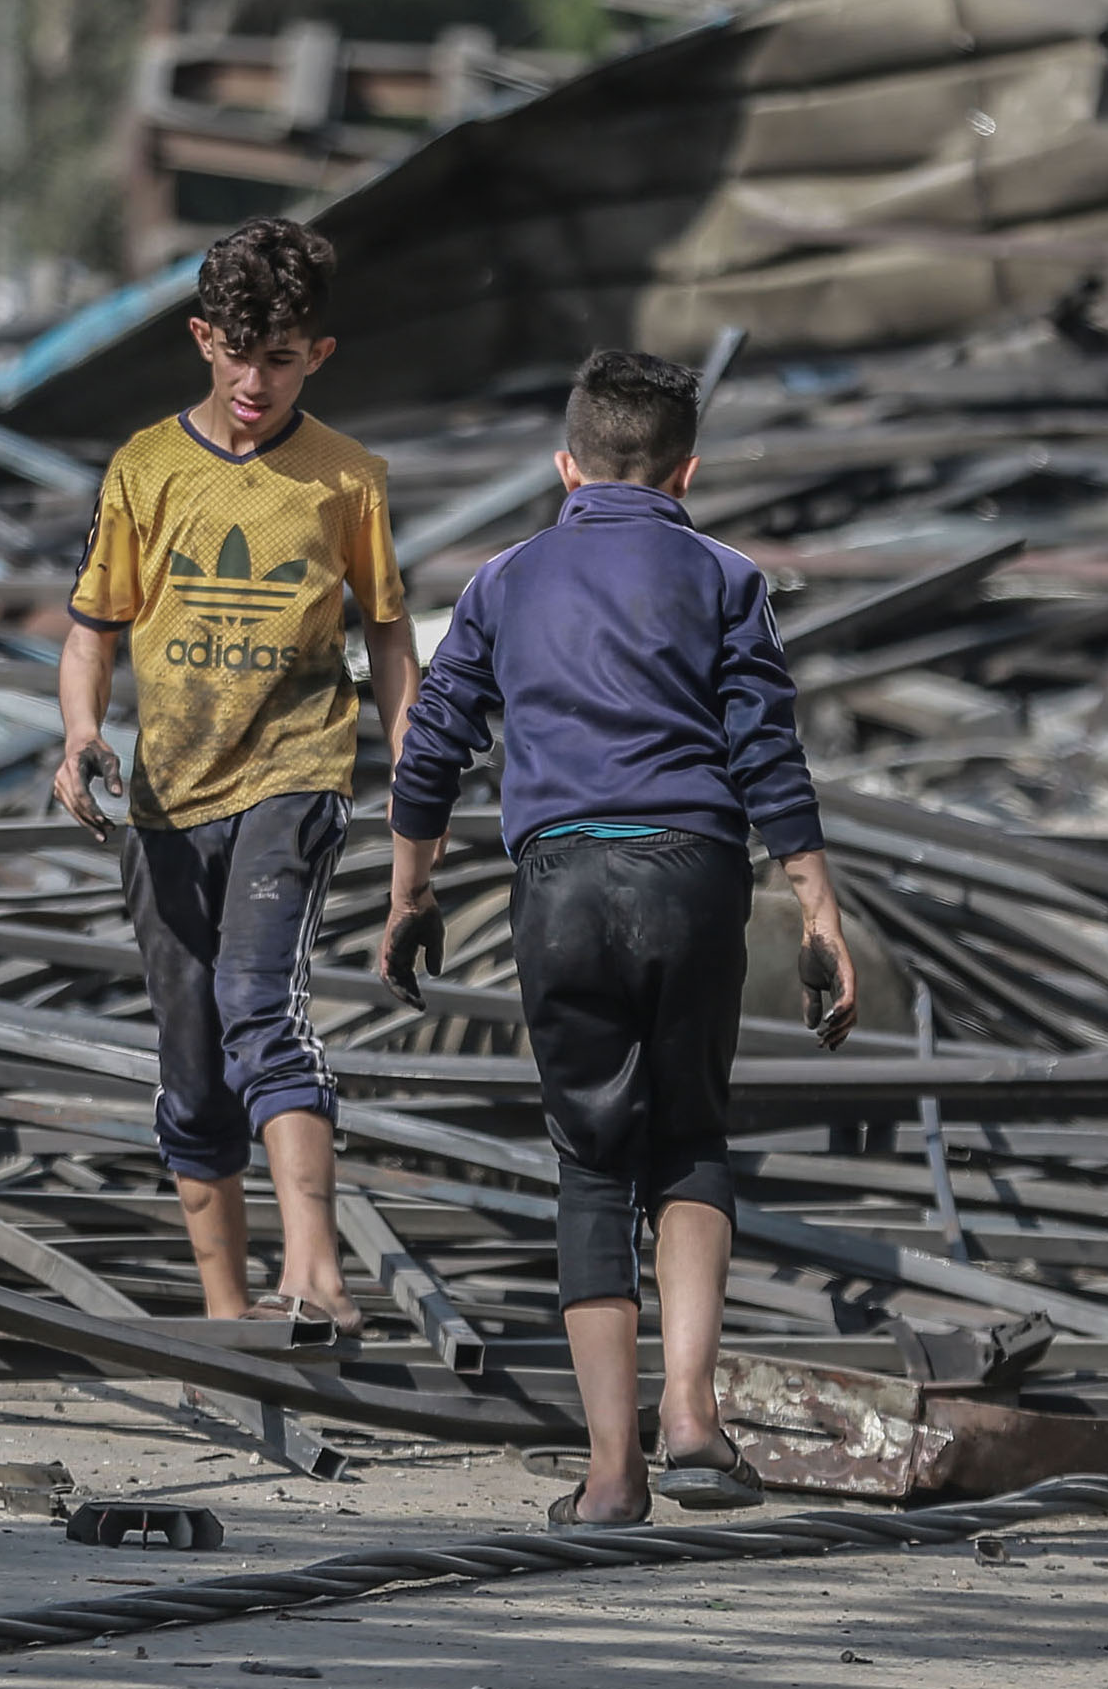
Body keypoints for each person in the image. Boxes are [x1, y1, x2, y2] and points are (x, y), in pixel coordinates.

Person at [380, 347, 856, 1526]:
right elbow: (767, 750)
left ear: (566, 466)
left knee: (592, 1161)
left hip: (562, 884)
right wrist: (817, 904)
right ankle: (691, 1410)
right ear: (687, 471)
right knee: (690, 1135)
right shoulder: (727, 577)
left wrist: (411, 894)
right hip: (695, 874)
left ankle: (610, 1474)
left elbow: (431, 744)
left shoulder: (501, 581)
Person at [55, 219, 418, 1337]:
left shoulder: (345, 480)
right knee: (193, 1061)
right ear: (204, 339)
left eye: (283, 358)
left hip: (294, 775)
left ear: (320, 355)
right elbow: (91, 633)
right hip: (167, 800)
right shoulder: (145, 470)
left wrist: (415, 771)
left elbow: (392, 639)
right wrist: (78, 736)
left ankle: (313, 1268)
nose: (256, 382)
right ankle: (228, 1317)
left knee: (263, 1004)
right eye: (240, 354)